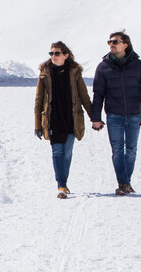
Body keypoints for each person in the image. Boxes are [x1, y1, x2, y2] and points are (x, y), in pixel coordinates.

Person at [90, 31, 141, 196]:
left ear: (125, 45)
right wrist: (96, 118)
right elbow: (98, 94)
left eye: (115, 42)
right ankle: (123, 183)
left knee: (132, 149)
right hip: (114, 115)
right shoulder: (103, 67)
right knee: (118, 149)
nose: (111, 44)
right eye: (109, 42)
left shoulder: (139, 66)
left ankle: (125, 182)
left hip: (134, 114)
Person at [34, 41, 96, 199]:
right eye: (51, 53)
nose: (53, 56)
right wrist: (37, 125)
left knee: (67, 153)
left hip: (71, 118)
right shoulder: (44, 74)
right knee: (57, 152)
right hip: (53, 119)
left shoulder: (74, 73)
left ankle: (64, 182)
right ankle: (61, 185)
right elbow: (38, 101)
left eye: (56, 53)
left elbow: (84, 97)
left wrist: (94, 117)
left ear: (65, 55)